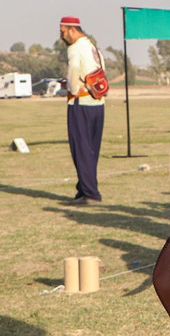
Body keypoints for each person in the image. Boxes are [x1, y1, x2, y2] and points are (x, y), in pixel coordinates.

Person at [59, 16, 105, 204]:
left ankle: (90, 192)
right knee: (91, 149)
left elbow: (73, 75)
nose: (61, 36)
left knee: (81, 148)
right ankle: (85, 187)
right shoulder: (93, 47)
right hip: (98, 103)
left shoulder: (75, 49)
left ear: (72, 29)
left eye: (62, 31)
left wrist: (68, 87)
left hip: (81, 103)